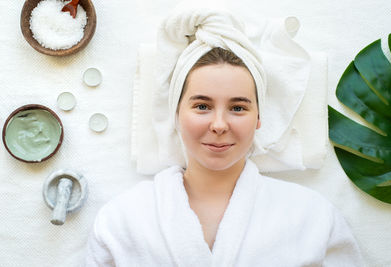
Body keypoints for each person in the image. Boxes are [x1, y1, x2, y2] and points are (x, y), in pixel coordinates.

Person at [85, 47, 364, 266]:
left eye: (238, 108)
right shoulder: (122, 219)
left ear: (258, 119)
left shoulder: (312, 217)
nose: (219, 124)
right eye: (202, 105)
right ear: (176, 115)